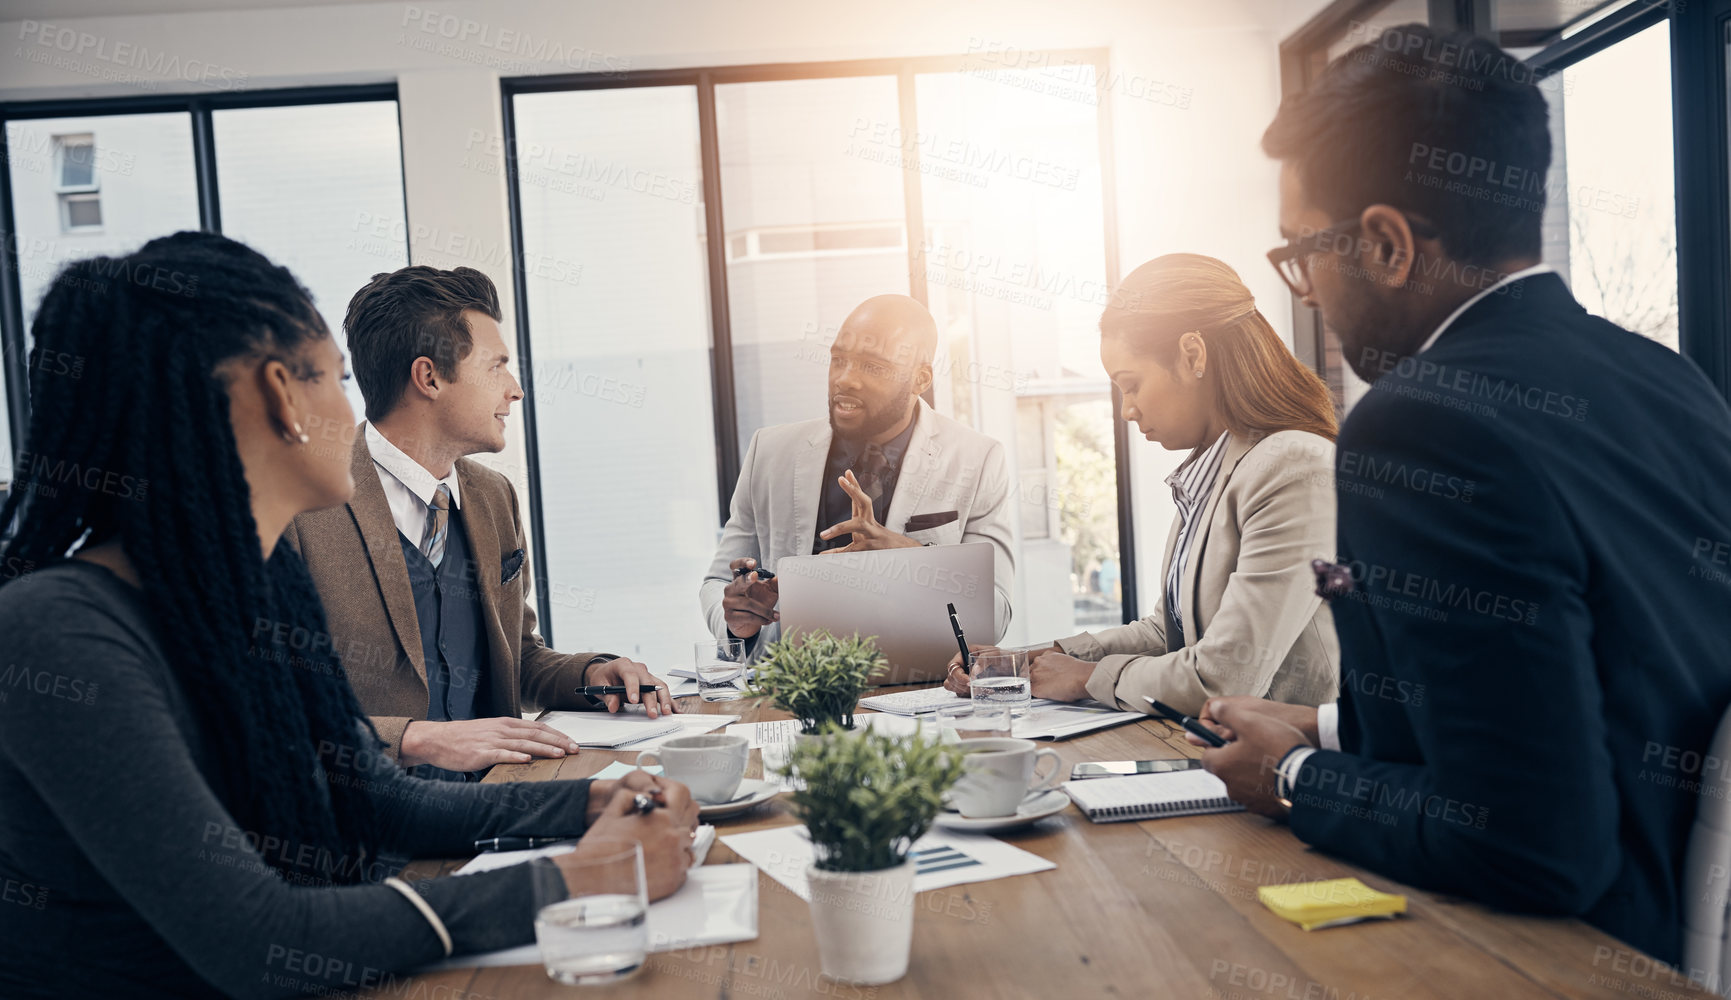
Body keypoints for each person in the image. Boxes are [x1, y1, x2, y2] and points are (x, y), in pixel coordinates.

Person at [0, 233, 697, 1000]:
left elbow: (363, 797)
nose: (354, 407)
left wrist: (592, 800)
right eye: (332, 376)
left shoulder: (245, 588)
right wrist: (578, 879)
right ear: (283, 397)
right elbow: (256, 932)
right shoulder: (59, 628)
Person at [1197, 25, 1731, 968]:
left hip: (1570, 984)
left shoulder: (1420, 425)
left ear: (1388, 245)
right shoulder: (1669, 379)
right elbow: (1591, 689)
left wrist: (1291, 774)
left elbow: (1525, 842)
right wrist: (1323, 722)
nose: (1305, 290)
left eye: (1300, 254)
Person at [285, 266, 672, 782]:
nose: (515, 390)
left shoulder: (494, 497)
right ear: (430, 378)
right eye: (496, 368)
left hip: (495, 805)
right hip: (373, 832)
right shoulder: (301, 509)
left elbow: (516, 657)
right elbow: (271, 704)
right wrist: (413, 739)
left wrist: (592, 674)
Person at [944, 255, 1340, 716]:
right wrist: (1038, 657)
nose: (1127, 410)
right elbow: (1165, 633)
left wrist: (1087, 678)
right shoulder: (1214, 470)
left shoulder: (1291, 464)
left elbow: (1224, 676)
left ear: (1193, 354)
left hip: (1291, 773)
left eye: (1130, 385)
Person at [701, 294, 1015, 657]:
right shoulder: (770, 451)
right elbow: (718, 583)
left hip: (921, 694)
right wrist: (737, 621)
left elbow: (996, 614)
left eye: (873, 366)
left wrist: (912, 560)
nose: (846, 380)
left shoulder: (978, 459)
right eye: (839, 360)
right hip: (792, 694)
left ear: (921, 378)